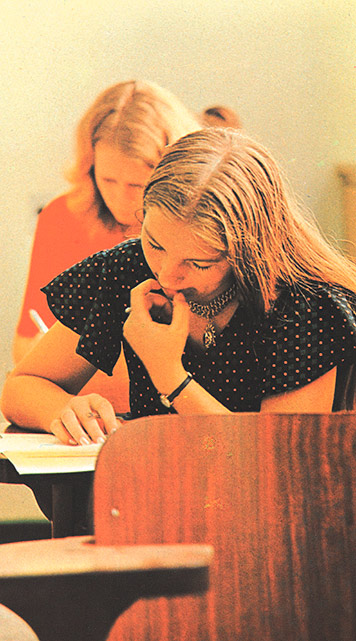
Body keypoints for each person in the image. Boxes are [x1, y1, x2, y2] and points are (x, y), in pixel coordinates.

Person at [3, 128, 356, 446]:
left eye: (199, 263)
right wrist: (65, 408)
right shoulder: (128, 267)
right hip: (157, 493)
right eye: (154, 243)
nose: (168, 275)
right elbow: (21, 387)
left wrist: (169, 374)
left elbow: (277, 458)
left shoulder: (306, 305)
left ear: (248, 252)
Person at [12, 80, 201, 412]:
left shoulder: (193, 232)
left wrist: (73, 360)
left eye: (136, 185)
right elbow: (26, 345)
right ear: (90, 166)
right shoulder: (61, 217)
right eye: (108, 180)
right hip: (89, 417)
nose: (122, 200)